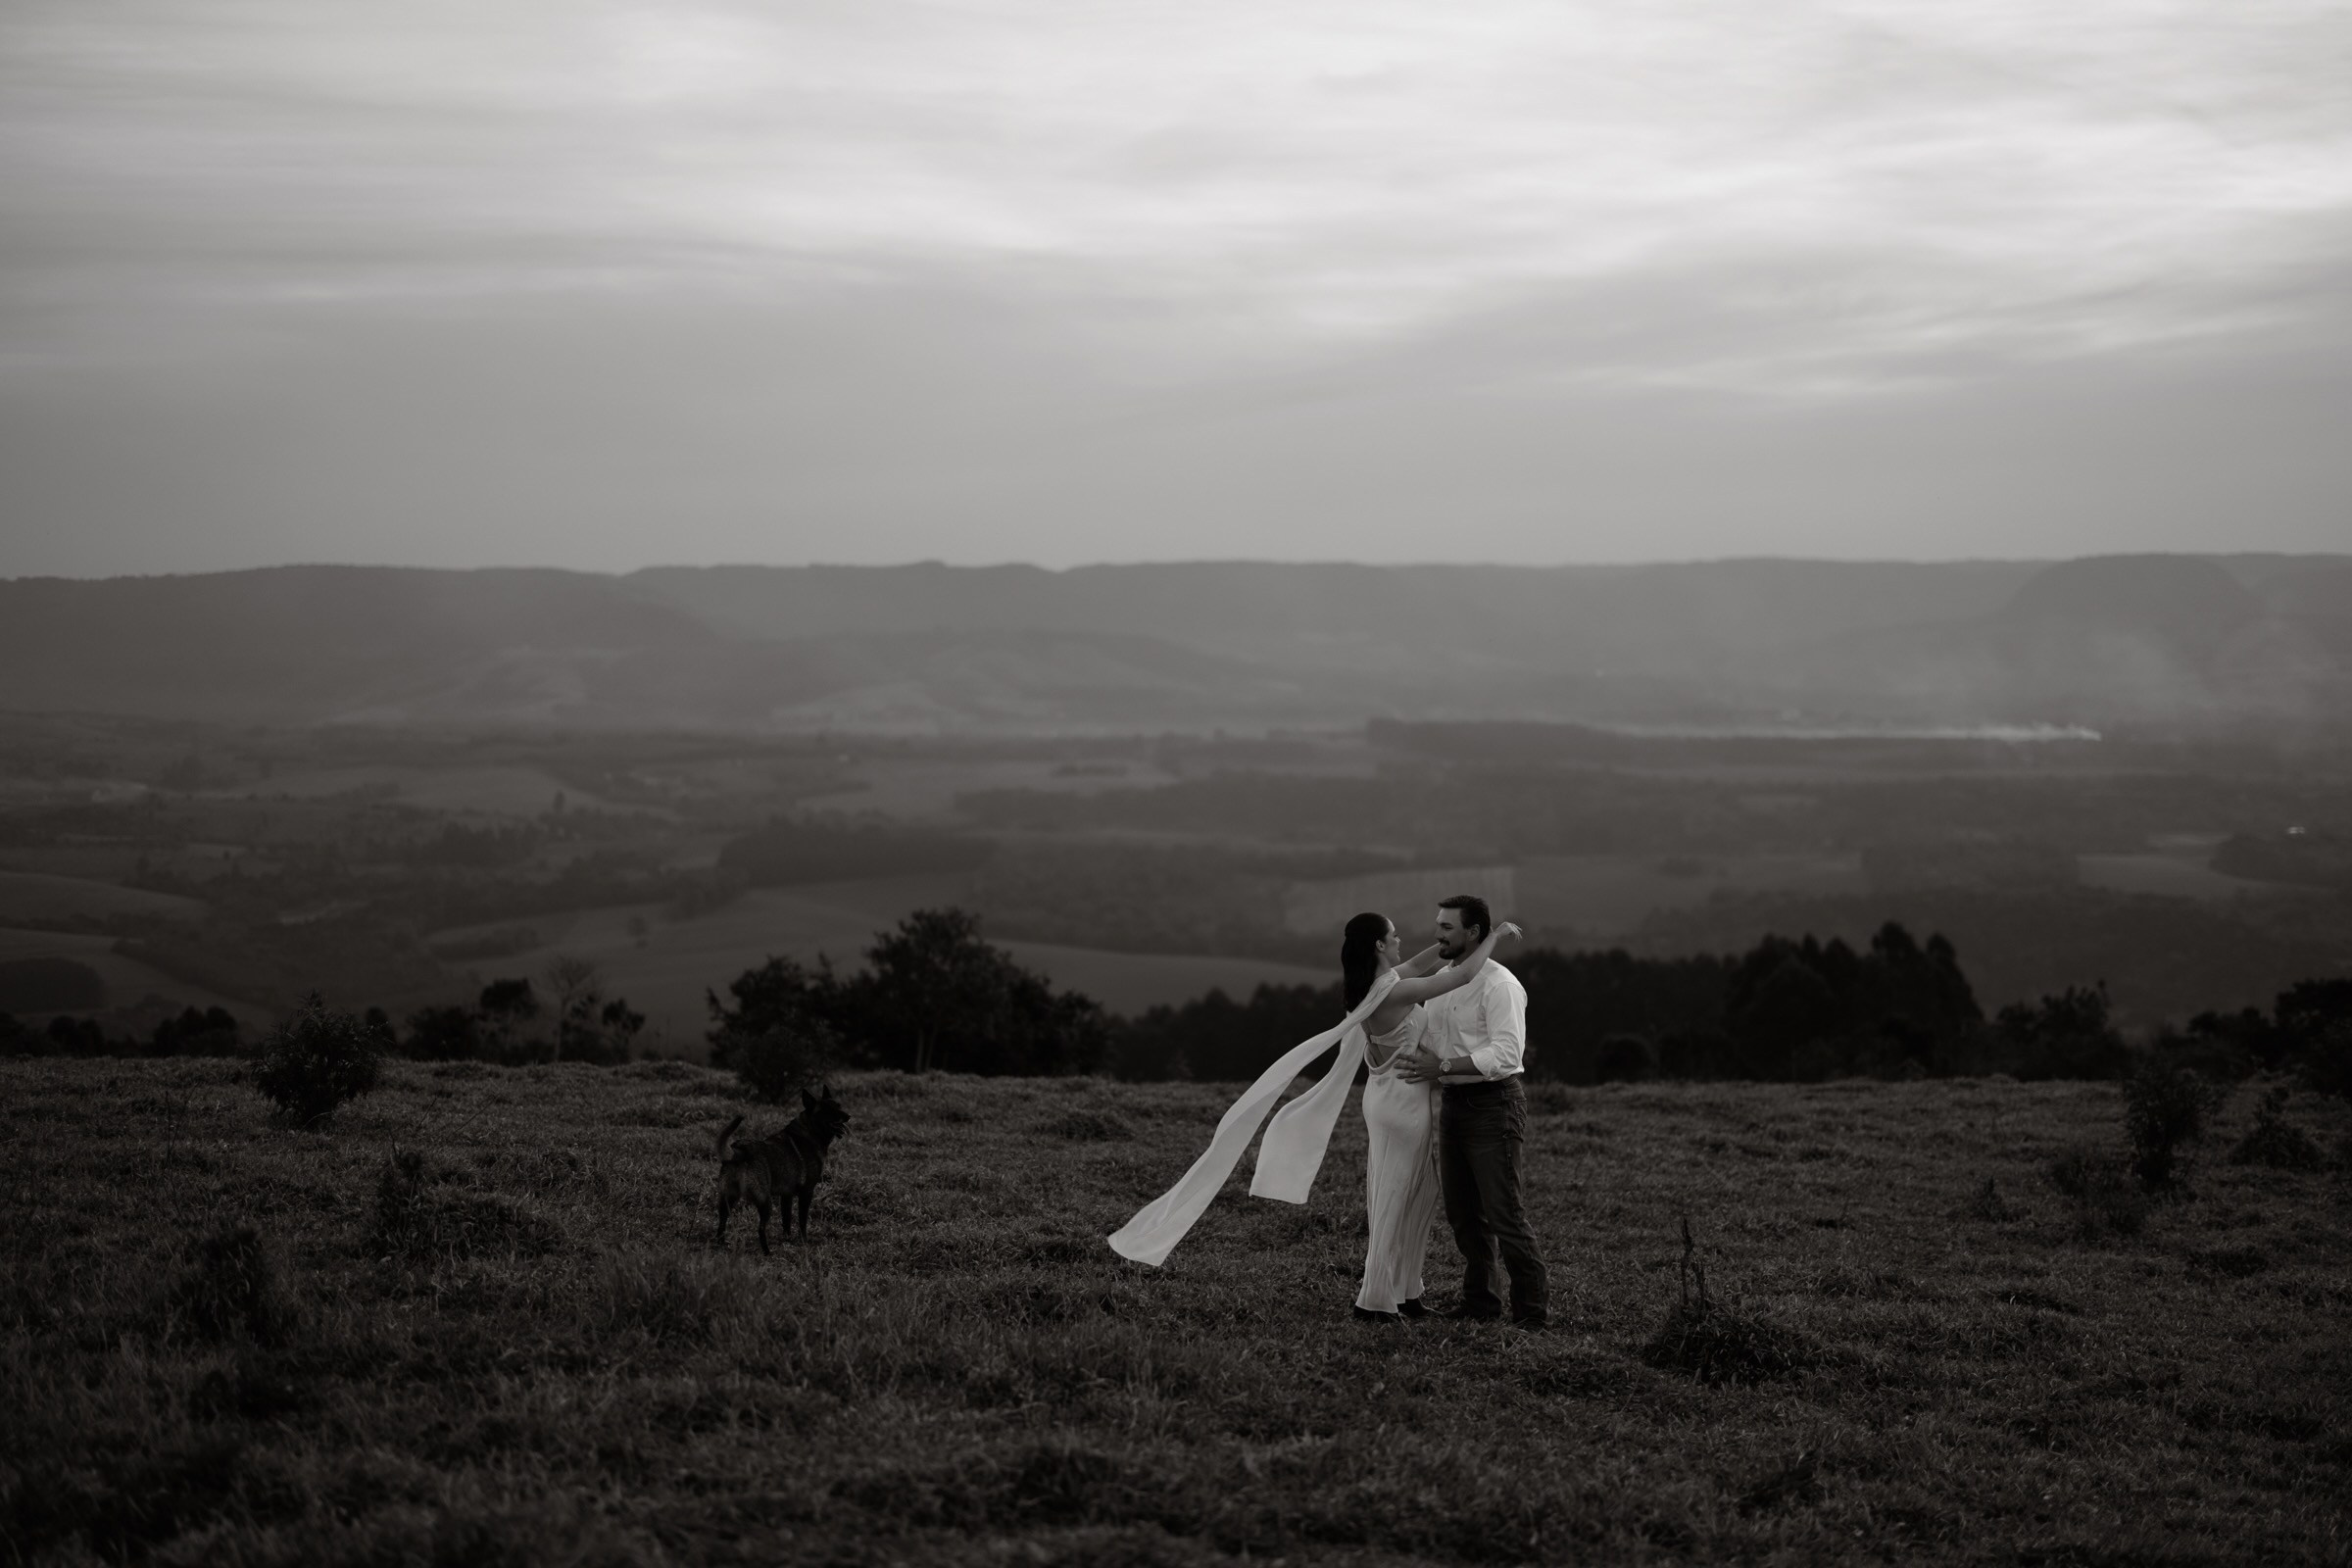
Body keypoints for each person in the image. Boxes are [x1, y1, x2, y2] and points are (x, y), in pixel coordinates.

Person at [1105, 907, 1518, 1316]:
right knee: (1397, 1197)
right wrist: (1490, 939)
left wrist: (1446, 944)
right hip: (1402, 1106)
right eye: (1393, 936)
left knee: (1415, 1195)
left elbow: (1414, 964)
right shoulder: (1392, 992)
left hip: (1388, 1099)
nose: (1399, 941)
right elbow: (1461, 976)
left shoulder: (1375, 985)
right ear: (1378, 945)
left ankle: (1405, 1292)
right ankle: (1375, 1301)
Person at [1398, 894, 1550, 1329]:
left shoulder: (1499, 985)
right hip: (1453, 1106)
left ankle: (1531, 1316)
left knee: (1505, 1212)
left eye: (1447, 927)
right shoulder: (1445, 982)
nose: (1438, 933)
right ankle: (1481, 1304)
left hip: (1493, 1104)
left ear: (1474, 933)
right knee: (1464, 1214)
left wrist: (1441, 1066)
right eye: (1439, 925)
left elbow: (1506, 1053)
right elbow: (1431, 1040)